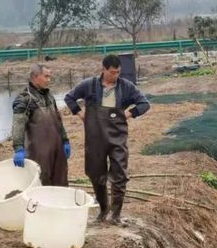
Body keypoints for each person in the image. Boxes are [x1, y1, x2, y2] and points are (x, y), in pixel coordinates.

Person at [64, 54, 150, 224]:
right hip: (95, 138)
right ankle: (104, 210)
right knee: (96, 175)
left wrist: (128, 113)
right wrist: (81, 114)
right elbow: (69, 97)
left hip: (117, 138)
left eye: (118, 72)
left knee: (120, 175)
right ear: (103, 69)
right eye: (112, 72)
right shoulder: (89, 85)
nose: (115, 76)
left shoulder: (126, 86)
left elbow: (144, 104)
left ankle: (116, 215)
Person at [11, 64, 70, 186]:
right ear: (35, 76)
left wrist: (65, 140)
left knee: (61, 180)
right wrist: (18, 148)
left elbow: (58, 119)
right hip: (38, 151)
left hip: (57, 148)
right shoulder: (24, 99)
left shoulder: (49, 95)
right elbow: (18, 125)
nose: (49, 80)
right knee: (42, 182)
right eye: (46, 76)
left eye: (50, 76)